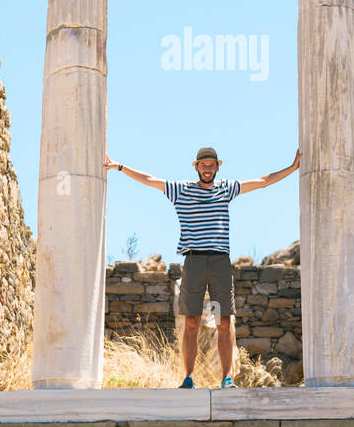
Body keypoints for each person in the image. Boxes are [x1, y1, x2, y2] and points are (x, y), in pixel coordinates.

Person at [104, 145, 300, 388]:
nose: (207, 169)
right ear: (196, 167)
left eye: (211, 165)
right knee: (192, 322)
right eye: (203, 165)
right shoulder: (181, 190)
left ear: (218, 166)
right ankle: (188, 377)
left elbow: (262, 181)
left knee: (223, 321)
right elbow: (149, 180)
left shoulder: (226, 189)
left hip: (219, 263)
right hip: (194, 262)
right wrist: (119, 167)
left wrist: (292, 168)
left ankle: (226, 378)